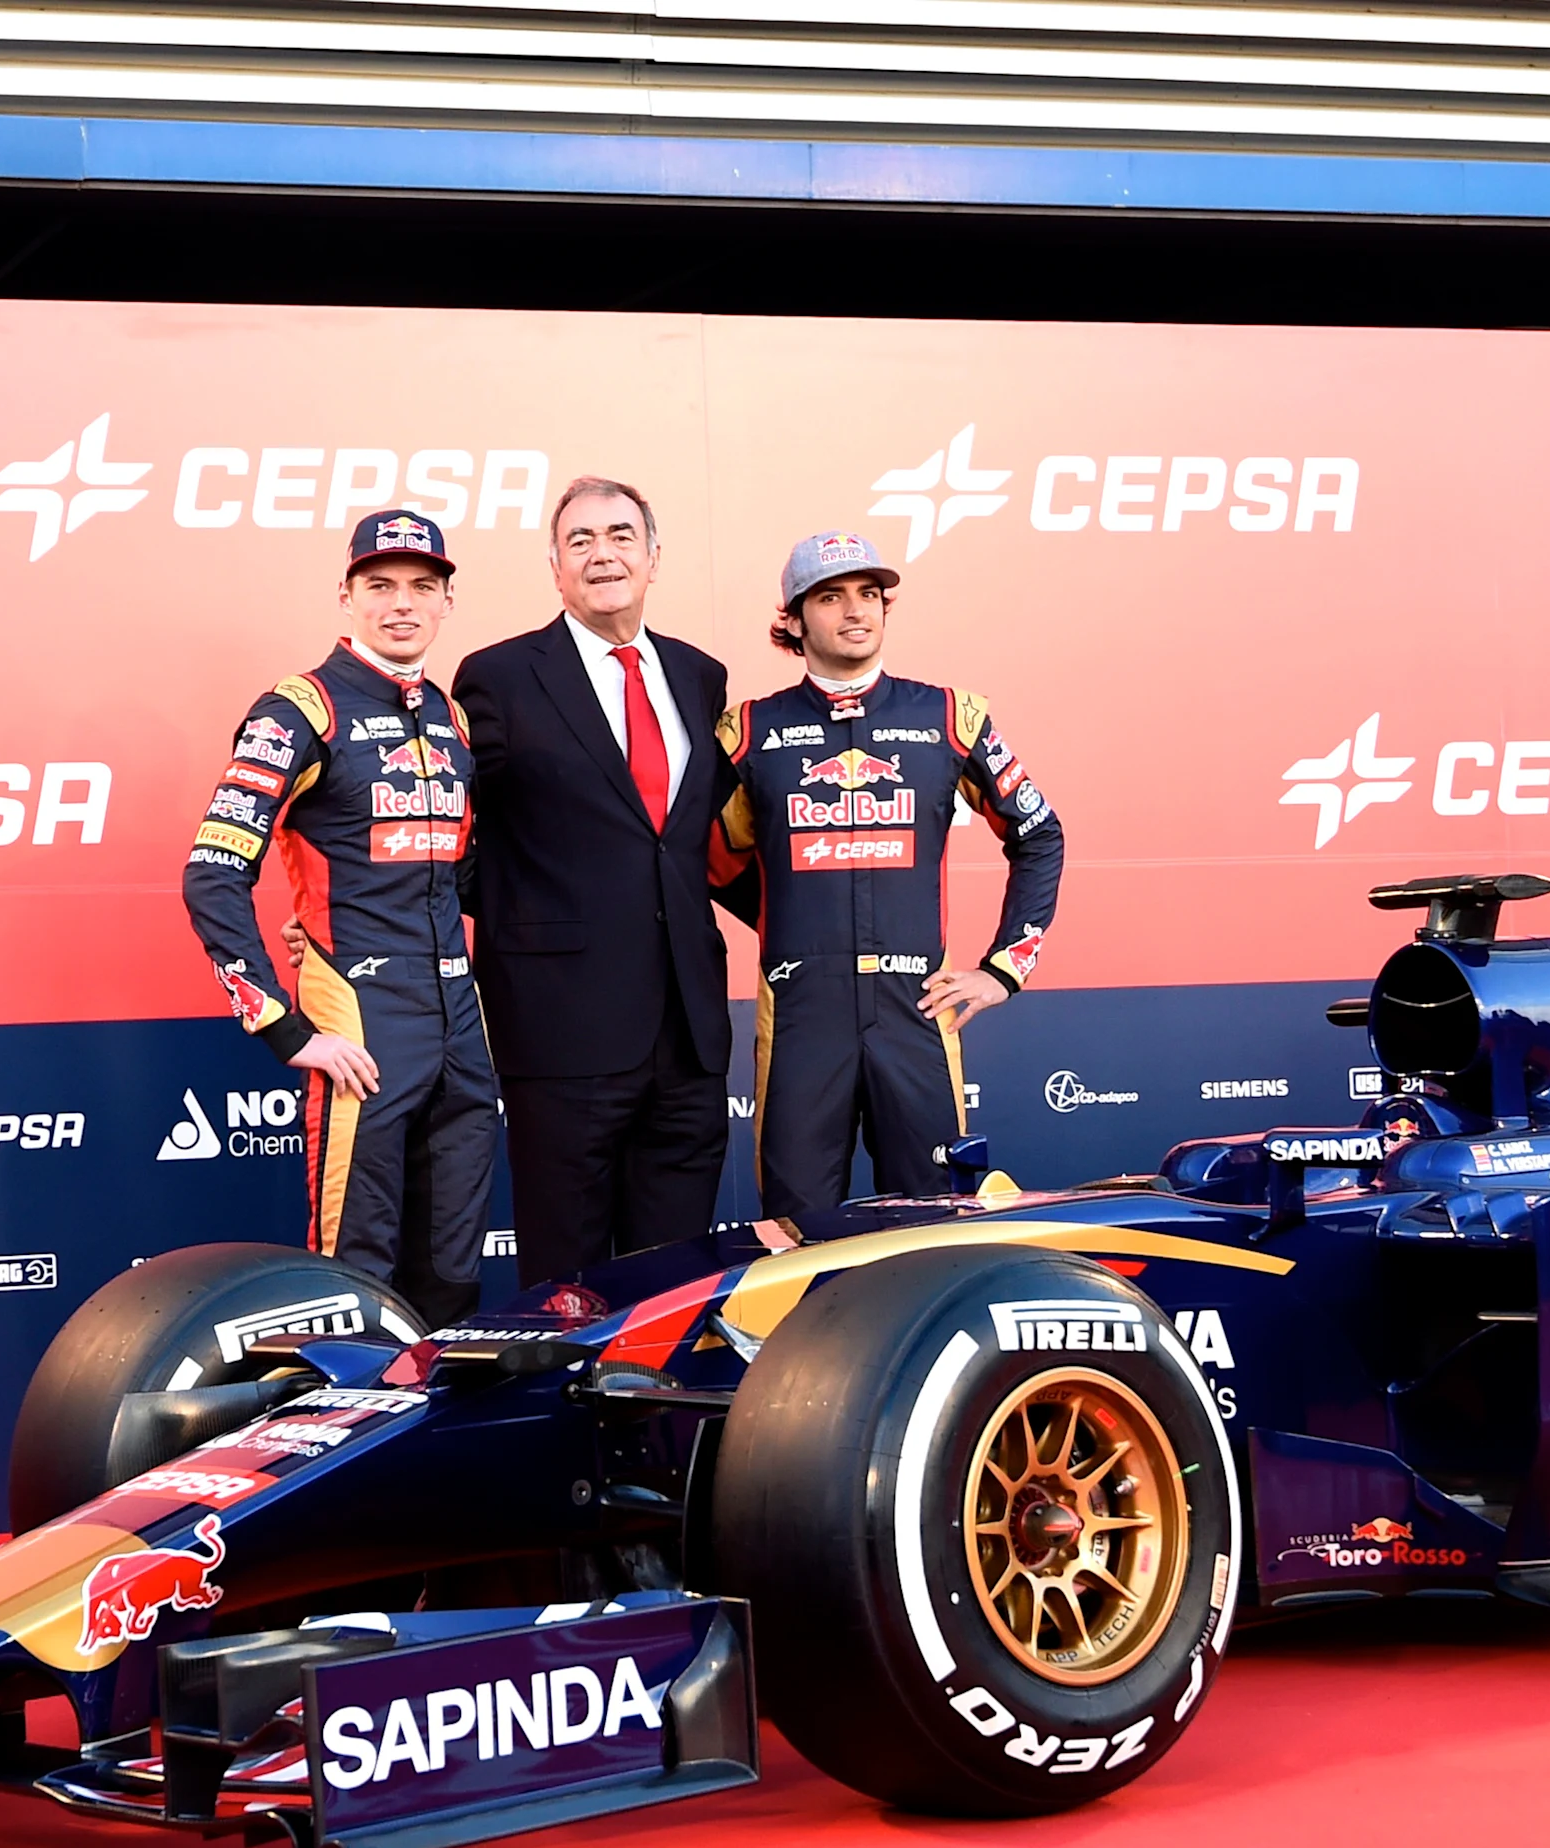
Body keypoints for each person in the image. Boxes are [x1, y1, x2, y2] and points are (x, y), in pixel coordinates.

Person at [181, 510, 495, 1328]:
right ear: (346, 596)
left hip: (461, 1025)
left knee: (454, 1273)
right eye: (380, 586)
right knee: (354, 1276)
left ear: (447, 602)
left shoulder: (454, 720)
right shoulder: (300, 709)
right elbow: (213, 872)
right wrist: (285, 1028)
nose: (402, 604)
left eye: (422, 587)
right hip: (360, 1021)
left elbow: (464, 879)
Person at [717, 529, 1064, 1214]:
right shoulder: (748, 730)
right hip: (800, 1015)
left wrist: (1003, 969)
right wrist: (791, 915)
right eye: (831, 596)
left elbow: (1039, 834)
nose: (856, 611)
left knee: (936, 1219)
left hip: (915, 1009)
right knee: (795, 1228)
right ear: (791, 618)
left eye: (870, 594)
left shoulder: (951, 717)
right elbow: (707, 862)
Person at [453, 477, 743, 1280]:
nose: (602, 553)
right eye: (579, 541)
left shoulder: (698, 676)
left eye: (620, 535)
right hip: (561, 1032)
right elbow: (454, 837)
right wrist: (529, 922)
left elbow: (695, 842)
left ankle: (661, 1413)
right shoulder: (499, 678)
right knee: (565, 1287)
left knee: (677, 1283)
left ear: (653, 557)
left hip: (688, 1035)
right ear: (554, 569)